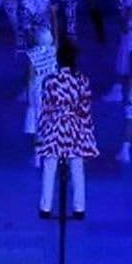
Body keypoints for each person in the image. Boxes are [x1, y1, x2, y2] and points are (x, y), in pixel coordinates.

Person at [36, 41, 95, 220]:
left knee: (49, 167)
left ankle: (45, 207)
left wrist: (41, 133)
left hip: (55, 127)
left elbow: (45, 108)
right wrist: (88, 136)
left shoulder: (51, 81)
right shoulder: (82, 80)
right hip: (75, 128)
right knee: (77, 168)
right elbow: (85, 111)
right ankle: (79, 208)